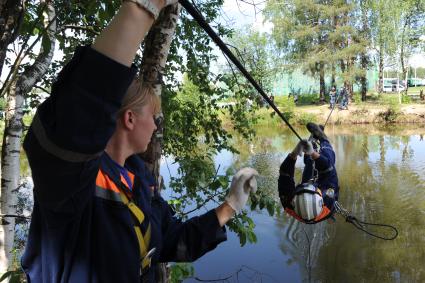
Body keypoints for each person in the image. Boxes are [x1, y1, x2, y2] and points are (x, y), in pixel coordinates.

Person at [21, 1, 258, 282]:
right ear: (130, 119)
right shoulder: (74, 182)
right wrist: (144, 7)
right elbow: (83, 107)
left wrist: (229, 206)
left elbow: (171, 241)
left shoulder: (138, 180)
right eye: (154, 116)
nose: (158, 124)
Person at [278, 123, 340, 224]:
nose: (310, 185)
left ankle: (311, 145)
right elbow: (328, 169)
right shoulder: (328, 200)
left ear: (294, 199)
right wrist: (313, 153)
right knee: (329, 158)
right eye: (309, 186)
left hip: (307, 191)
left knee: (310, 163)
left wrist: (295, 152)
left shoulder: (288, 203)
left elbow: (285, 173)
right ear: (321, 199)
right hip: (326, 197)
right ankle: (322, 137)